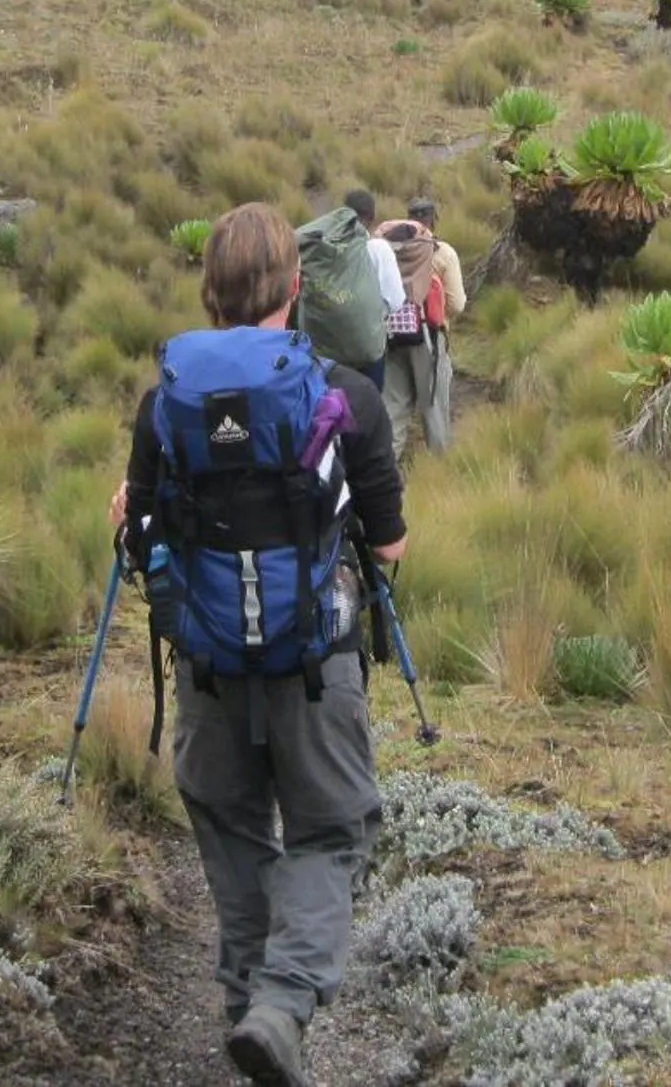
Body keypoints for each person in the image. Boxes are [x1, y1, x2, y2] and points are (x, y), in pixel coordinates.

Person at [109, 203, 407, 1087]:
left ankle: (252, 1018)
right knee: (332, 830)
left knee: (236, 835)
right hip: (316, 669)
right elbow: (386, 547)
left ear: (209, 291)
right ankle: (282, 1010)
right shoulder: (344, 397)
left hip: (206, 668)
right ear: (297, 288)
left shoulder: (163, 405)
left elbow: (141, 537)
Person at [375, 198, 466, 457]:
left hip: (390, 334)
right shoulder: (442, 252)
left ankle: (386, 469)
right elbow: (457, 304)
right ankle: (439, 473)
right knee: (433, 406)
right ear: (433, 219)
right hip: (429, 337)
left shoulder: (388, 250)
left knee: (394, 406)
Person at [343, 188, 407, 392]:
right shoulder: (379, 249)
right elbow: (396, 300)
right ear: (371, 218)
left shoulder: (326, 247)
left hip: (329, 344)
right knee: (368, 401)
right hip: (369, 342)